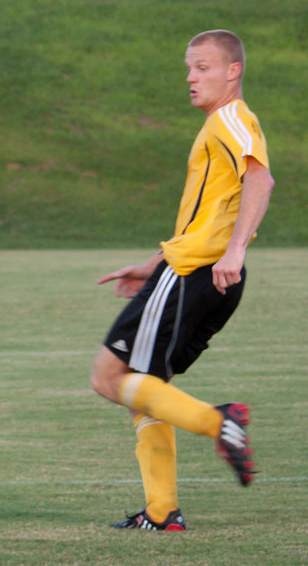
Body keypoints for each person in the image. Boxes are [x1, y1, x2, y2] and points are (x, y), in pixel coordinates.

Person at [90, 30, 273, 531]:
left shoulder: (232, 118)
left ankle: (220, 423)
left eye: (203, 68)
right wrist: (152, 264)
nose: (191, 78)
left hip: (197, 271)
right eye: (189, 69)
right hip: (203, 272)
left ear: (232, 71)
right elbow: (208, 214)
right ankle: (161, 511)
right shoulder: (220, 124)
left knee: (108, 377)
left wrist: (234, 248)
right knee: (148, 384)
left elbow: (261, 178)